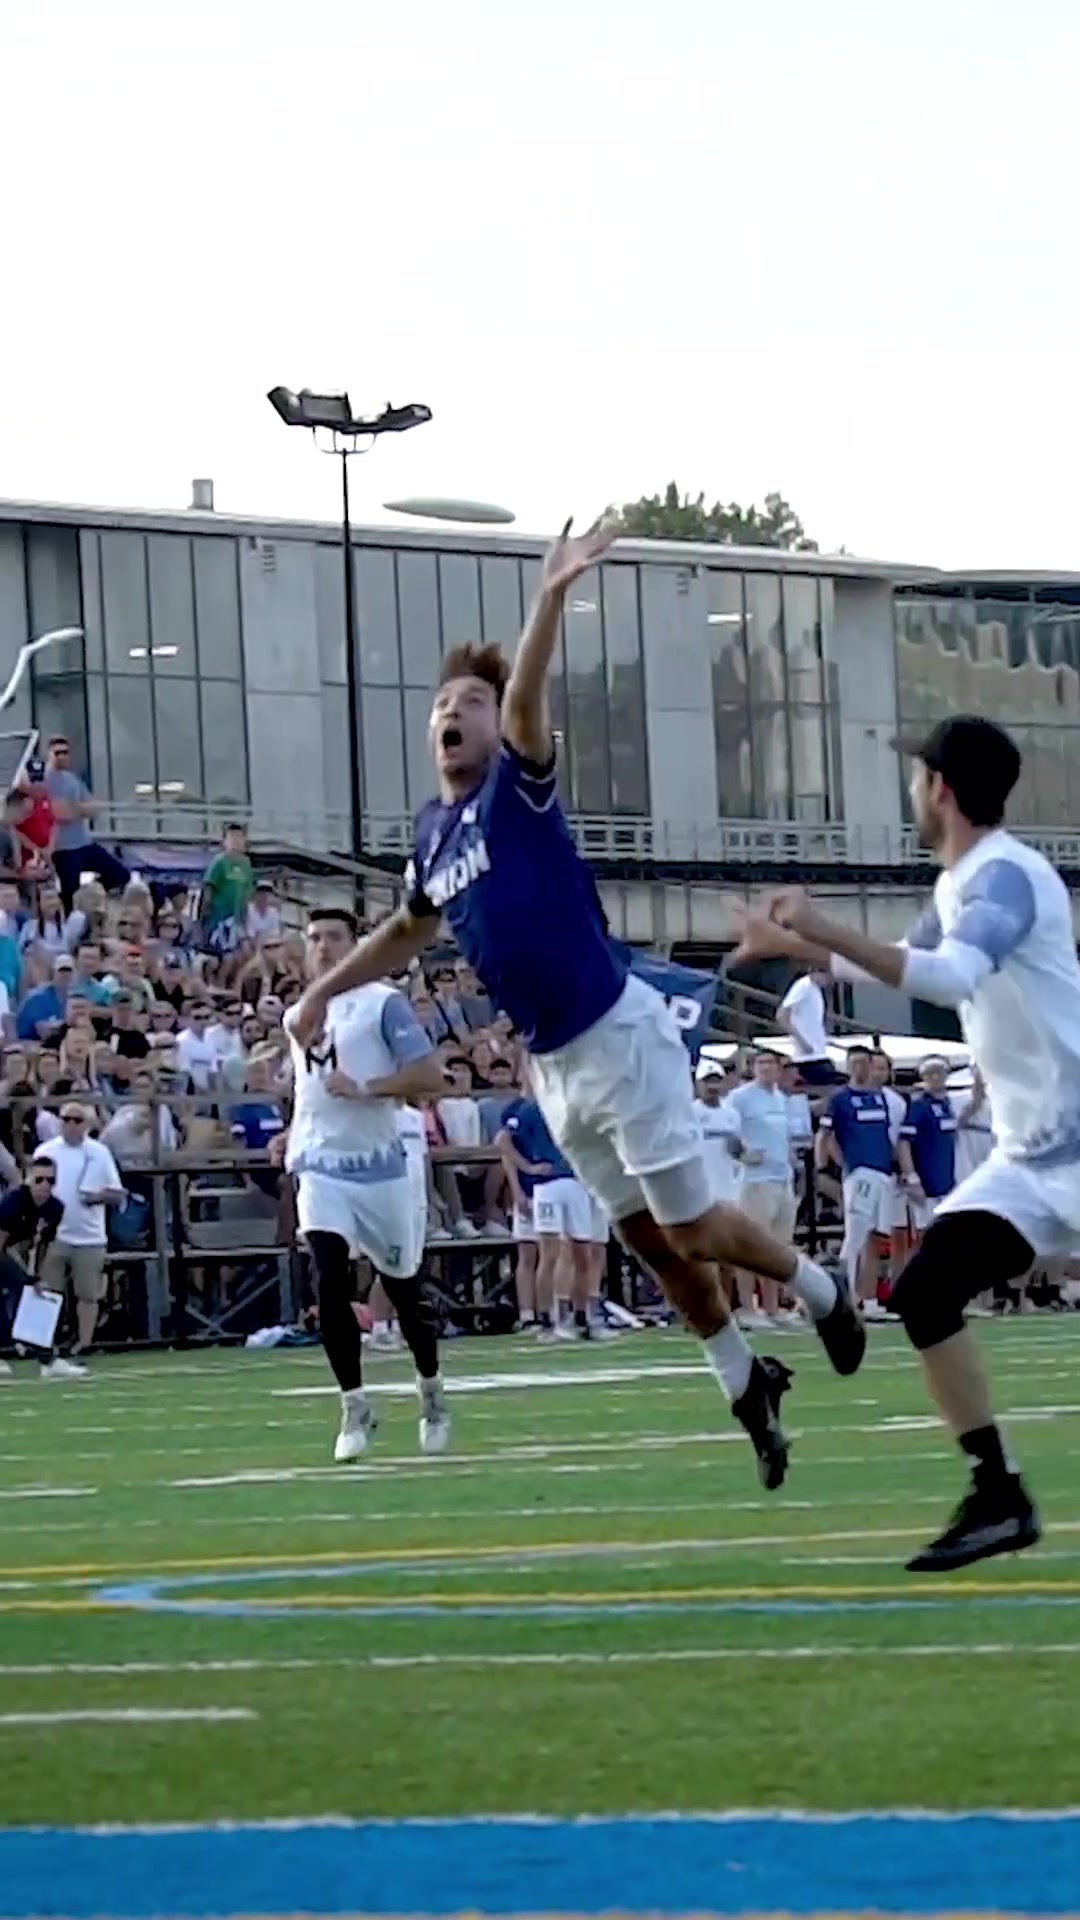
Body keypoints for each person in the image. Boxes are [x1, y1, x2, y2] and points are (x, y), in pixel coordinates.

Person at [290, 518, 864, 1493]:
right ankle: (744, 1381)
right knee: (647, 1240)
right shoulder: (431, 833)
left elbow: (524, 702)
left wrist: (550, 598)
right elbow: (406, 930)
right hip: (552, 1065)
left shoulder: (514, 788)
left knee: (688, 1229)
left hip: (617, 1033)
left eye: (471, 700)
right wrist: (317, 991)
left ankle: (819, 1288)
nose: (455, 711)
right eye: (443, 704)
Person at [733, 713, 1080, 1571]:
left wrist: (819, 926)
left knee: (929, 1289)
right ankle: (998, 1494)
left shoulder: (1003, 877)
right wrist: (797, 946)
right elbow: (902, 955)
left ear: (940, 789)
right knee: (926, 1293)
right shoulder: (963, 883)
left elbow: (948, 975)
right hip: (1032, 1158)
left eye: (918, 776)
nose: (911, 790)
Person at [272, 908, 450, 1462]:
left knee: (404, 1292)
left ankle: (431, 1387)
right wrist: (292, 1130)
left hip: (379, 1167)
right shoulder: (300, 1013)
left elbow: (430, 1077)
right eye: (313, 938)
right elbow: (310, 1083)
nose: (322, 947)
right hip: (320, 1165)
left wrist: (368, 1087)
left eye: (334, 937)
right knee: (329, 1277)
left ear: (357, 946)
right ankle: (353, 1404)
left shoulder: (383, 1004)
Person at [36, 1104, 125, 1356]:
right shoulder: (46, 1151)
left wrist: (98, 1197)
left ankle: (84, 1345)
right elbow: (31, 1188)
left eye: (77, 1120)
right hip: (54, 1235)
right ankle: (44, 1345)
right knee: (48, 1293)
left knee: (87, 1294)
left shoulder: (100, 1152)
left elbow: (117, 1193)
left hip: (90, 1236)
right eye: (66, 1119)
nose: (71, 1125)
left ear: (87, 1124)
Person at [816, 1046, 897, 1320]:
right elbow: (825, 1135)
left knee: (877, 1239)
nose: (860, 1068)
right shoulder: (840, 1099)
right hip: (860, 1173)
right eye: (855, 1063)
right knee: (855, 1237)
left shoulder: (879, 1098)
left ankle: (869, 1298)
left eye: (864, 1063)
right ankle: (845, 1296)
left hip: (883, 1173)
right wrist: (832, 1167)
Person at [0, 1158, 85, 1381]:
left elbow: (41, 1245)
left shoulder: (55, 1208)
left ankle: (47, 1359)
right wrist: (27, 1278)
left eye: (51, 1181)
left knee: (40, 1298)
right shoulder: (13, 1203)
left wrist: (36, 1277)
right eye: (39, 1180)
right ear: (28, 1179)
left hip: (11, 1251)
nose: (45, 1186)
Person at [43, 737, 129, 906]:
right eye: (57, 753)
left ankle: (91, 894)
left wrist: (74, 809)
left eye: (65, 752)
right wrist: (79, 810)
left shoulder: (72, 778)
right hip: (63, 849)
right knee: (70, 895)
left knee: (121, 875)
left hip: (84, 844)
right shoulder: (45, 779)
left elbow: (93, 807)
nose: (62, 756)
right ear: (49, 754)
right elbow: (59, 813)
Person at [897, 1056, 959, 1241]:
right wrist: (912, 1178)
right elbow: (903, 1142)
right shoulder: (919, 1106)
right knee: (927, 1234)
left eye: (939, 1073)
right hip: (927, 1181)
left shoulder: (948, 1105)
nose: (935, 1078)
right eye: (929, 1074)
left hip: (948, 1180)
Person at [776, 971, 838, 1086]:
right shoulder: (804, 986)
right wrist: (802, 1041)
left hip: (817, 1053)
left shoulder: (815, 989)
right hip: (807, 1056)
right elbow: (781, 1015)